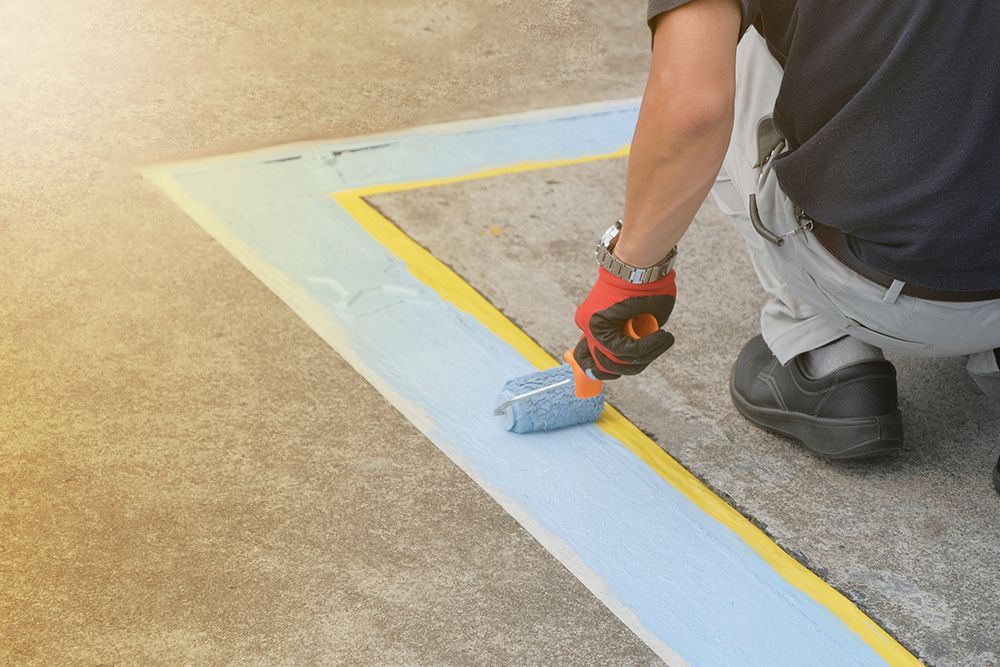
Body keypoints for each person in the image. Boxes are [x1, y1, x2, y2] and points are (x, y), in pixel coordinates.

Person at [572, 0, 1000, 493]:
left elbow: (693, 112)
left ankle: (824, 351)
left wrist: (629, 271)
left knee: (721, 46)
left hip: (888, 287)